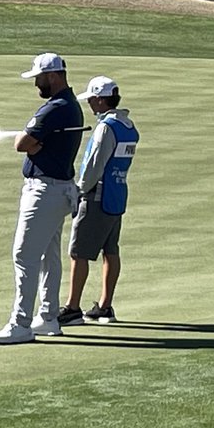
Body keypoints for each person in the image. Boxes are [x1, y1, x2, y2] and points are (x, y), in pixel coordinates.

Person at [0, 53, 85, 345]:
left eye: (39, 78)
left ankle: (20, 324)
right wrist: (35, 144)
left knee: (25, 255)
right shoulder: (69, 105)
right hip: (59, 189)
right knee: (47, 255)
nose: (36, 85)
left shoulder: (54, 108)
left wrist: (33, 145)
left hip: (44, 191)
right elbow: (31, 143)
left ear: (53, 76)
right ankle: (48, 317)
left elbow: (22, 144)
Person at [58, 76, 138, 326]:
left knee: (78, 252)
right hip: (116, 196)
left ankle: (72, 308)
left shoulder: (106, 127)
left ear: (102, 100)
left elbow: (94, 165)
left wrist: (79, 190)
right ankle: (105, 306)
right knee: (110, 251)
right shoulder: (128, 125)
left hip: (97, 197)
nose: (90, 105)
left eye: (92, 100)